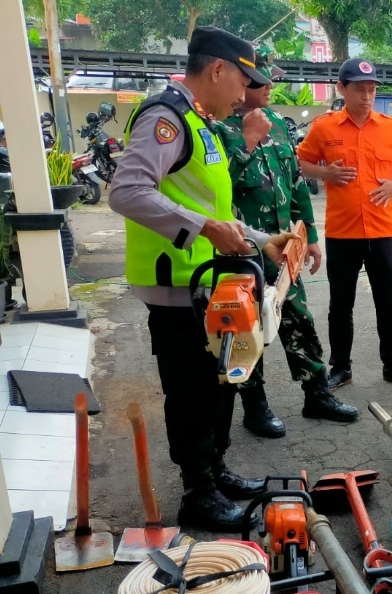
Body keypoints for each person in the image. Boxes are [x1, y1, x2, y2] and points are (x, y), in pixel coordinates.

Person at [108, 27, 298, 531]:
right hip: (178, 290)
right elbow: (126, 191)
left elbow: (214, 212)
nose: (245, 94)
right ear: (218, 69)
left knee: (220, 384)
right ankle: (198, 492)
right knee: (192, 390)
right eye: (242, 80)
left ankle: (215, 471)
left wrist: (260, 239)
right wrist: (206, 228)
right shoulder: (165, 117)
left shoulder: (202, 122)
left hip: (210, 284)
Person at [213, 48, 359, 439]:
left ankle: (317, 393)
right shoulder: (217, 127)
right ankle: (254, 405)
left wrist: (309, 237)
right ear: (243, 85)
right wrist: (246, 140)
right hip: (241, 252)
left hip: (283, 247)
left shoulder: (278, 123)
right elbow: (218, 188)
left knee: (299, 320)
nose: (271, 85)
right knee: (247, 328)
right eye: (263, 80)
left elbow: (296, 183)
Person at [297, 57, 392, 390]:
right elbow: (301, 161)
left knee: (388, 304)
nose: (366, 96)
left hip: (383, 231)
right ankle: (341, 367)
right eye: (359, 89)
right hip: (342, 232)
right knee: (341, 306)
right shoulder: (325, 127)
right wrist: (326, 173)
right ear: (342, 89)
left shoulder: (391, 128)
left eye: (371, 90)